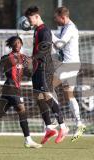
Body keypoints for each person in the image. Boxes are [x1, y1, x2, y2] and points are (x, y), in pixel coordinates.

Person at [25, 6, 69, 144]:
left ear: (37, 16)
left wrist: (31, 59)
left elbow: (45, 50)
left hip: (45, 68)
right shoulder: (36, 30)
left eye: (30, 18)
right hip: (37, 68)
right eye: (27, 19)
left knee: (46, 96)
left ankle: (63, 126)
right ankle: (49, 127)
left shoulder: (45, 31)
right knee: (38, 98)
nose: (28, 21)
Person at [52, 6, 86, 142]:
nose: (55, 20)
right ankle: (79, 123)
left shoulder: (70, 28)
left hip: (69, 65)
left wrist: (48, 34)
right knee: (68, 94)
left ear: (63, 17)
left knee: (47, 87)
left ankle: (57, 120)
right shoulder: (65, 28)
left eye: (56, 18)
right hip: (71, 64)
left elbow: (59, 44)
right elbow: (59, 46)